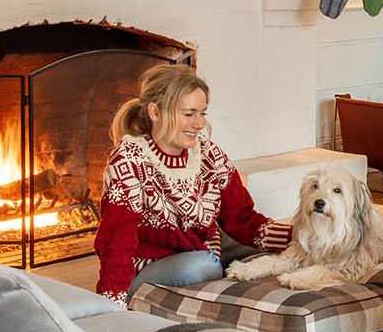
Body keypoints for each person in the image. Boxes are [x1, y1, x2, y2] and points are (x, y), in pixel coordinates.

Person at [94, 64, 291, 304]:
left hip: (204, 247)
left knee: (277, 251)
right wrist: (110, 303)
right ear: (155, 113)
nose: (199, 124)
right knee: (203, 266)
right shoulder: (129, 159)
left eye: (202, 113)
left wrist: (301, 238)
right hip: (154, 264)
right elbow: (117, 241)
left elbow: (243, 220)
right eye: (189, 114)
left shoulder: (208, 154)